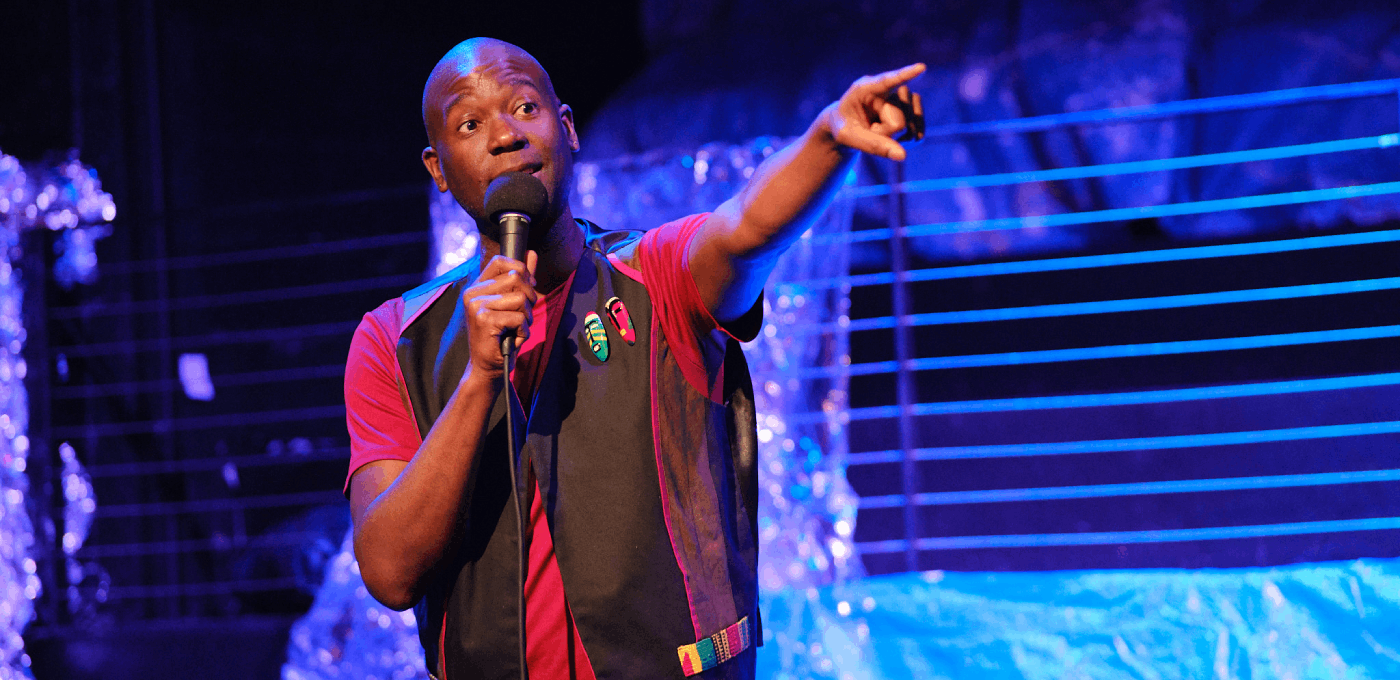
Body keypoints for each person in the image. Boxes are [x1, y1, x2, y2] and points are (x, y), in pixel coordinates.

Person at [344, 37, 924, 680]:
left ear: (568, 130)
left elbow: (746, 226)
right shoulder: (394, 339)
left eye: (526, 108)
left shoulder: (657, 273)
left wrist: (829, 141)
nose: (506, 136)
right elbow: (390, 573)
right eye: (470, 125)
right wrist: (481, 377)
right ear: (438, 169)